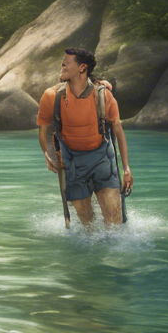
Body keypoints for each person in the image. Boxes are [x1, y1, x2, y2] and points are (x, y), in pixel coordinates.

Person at [37, 47, 134, 226]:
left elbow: (118, 130)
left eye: (67, 63)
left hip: (102, 158)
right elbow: (44, 130)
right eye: (62, 63)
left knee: (115, 225)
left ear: (82, 68)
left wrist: (126, 169)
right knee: (87, 227)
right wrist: (46, 154)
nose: (62, 65)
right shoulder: (52, 96)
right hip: (72, 162)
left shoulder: (103, 94)